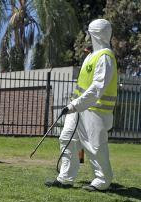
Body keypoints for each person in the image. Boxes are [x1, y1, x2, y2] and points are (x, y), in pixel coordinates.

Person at [45, 18, 117, 191]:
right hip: (78, 108)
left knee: (95, 146)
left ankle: (102, 181)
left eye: (89, 33)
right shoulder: (92, 55)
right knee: (66, 138)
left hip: (96, 110)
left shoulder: (105, 58)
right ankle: (65, 178)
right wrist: (74, 105)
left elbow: (97, 88)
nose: (87, 36)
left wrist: (75, 104)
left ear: (95, 34)